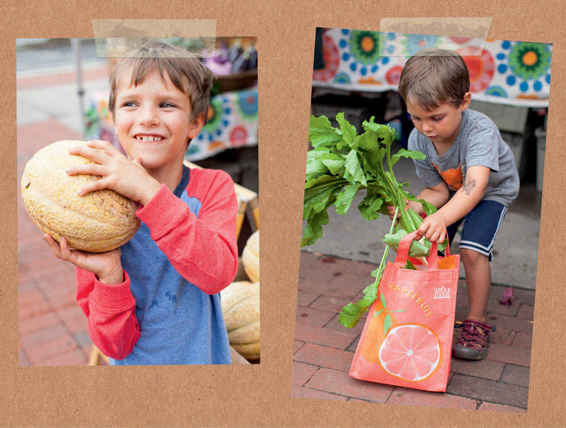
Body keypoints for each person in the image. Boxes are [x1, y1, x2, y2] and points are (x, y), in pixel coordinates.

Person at [43, 40, 239, 365]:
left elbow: (217, 274)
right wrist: (109, 276)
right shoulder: (92, 207)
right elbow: (113, 347)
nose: (147, 118)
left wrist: (148, 192)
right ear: (114, 117)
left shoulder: (212, 188)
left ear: (196, 122)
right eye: (131, 104)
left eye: (167, 104)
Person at [397, 48, 520, 360]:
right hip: (454, 192)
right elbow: (437, 191)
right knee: (430, 241)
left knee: (471, 250)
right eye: (416, 117)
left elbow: (476, 186)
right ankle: (431, 308)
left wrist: (440, 218)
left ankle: (476, 322)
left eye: (436, 117)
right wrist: (412, 207)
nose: (425, 127)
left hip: (491, 192)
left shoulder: (480, 130)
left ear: (464, 102)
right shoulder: (418, 139)